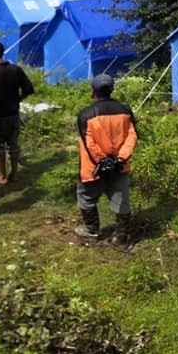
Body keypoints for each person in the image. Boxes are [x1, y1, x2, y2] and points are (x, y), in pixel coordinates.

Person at [75, 73, 138, 246]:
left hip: (93, 167)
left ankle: (93, 231)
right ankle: (121, 238)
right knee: (121, 200)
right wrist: (119, 159)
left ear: (93, 91)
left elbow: (89, 143)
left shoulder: (85, 114)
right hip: (120, 166)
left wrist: (103, 162)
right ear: (111, 90)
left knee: (86, 198)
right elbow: (132, 136)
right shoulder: (125, 111)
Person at [0, 40, 34, 185]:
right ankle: (14, 173)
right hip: (13, 113)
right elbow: (29, 89)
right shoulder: (16, 70)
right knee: (14, 144)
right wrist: (18, 99)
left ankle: (3, 175)